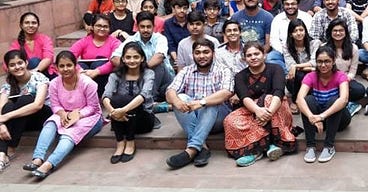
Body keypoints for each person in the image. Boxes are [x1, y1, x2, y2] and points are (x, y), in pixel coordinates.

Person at [22, 51, 104, 179]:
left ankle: (49, 164)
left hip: (89, 117)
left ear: (75, 65)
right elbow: (55, 105)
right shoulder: (54, 83)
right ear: (56, 67)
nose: (65, 69)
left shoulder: (88, 83)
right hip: (64, 113)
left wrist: (75, 116)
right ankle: (37, 158)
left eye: (69, 65)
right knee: (50, 123)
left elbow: (92, 108)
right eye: (62, 66)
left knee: (69, 133)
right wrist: (62, 114)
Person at [165, 39, 233, 169]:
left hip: (218, 119)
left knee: (210, 102)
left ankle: (191, 149)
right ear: (193, 55)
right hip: (194, 117)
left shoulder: (223, 70)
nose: (202, 56)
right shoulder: (186, 71)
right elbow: (170, 92)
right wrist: (177, 102)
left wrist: (201, 102)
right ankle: (200, 147)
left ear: (213, 54)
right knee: (180, 97)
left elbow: (226, 92)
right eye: (198, 53)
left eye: (206, 52)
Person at [224, 42, 296, 166]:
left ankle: (273, 144)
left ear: (264, 55)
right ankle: (255, 150)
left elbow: (278, 92)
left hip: (276, 109)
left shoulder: (276, 69)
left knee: (268, 99)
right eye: (249, 55)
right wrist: (258, 111)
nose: (253, 57)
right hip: (252, 109)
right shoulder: (240, 76)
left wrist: (268, 114)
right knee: (230, 120)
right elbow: (244, 97)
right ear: (244, 58)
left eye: (256, 54)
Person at [102, 42, 156, 164]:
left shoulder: (148, 73)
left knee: (128, 100)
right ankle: (120, 143)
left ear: (142, 58)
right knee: (116, 99)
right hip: (119, 120)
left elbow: (143, 96)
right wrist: (112, 112)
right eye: (128, 57)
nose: (132, 61)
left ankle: (130, 142)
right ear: (123, 59)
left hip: (142, 120)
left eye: (136, 57)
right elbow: (106, 95)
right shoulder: (115, 75)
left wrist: (123, 110)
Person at [296, 46, 352, 163]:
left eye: (327, 61)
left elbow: (344, 99)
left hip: (339, 119)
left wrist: (322, 117)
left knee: (335, 100)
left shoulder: (341, 76)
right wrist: (312, 117)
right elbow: (299, 99)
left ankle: (329, 146)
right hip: (317, 119)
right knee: (308, 100)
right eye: (319, 61)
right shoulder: (310, 76)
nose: (323, 65)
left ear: (333, 61)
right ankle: (310, 146)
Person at [0, 50, 53, 171]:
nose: (17, 67)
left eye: (20, 63)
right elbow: (1, 109)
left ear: (26, 63)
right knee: (7, 107)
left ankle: (11, 147)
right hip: (23, 120)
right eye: (12, 65)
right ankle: (2, 155)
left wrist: (7, 117)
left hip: (42, 117)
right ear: (8, 68)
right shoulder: (8, 85)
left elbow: (38, 105)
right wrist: (1, 125)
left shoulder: (38, 78)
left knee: (25, 99)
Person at [111, 11, 174, 105]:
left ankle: (148, 100)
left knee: (158, 65)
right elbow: (114, 58)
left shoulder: (160, 38)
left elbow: (159, 56)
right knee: (121, 68)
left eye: (148, 27)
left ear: (153, 26)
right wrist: (131, 66)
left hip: (164, 81)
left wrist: (141, 68)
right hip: (140, 79)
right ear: (137, 27)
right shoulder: (132, 39)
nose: (145, 30)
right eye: (142, 27)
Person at [70, 14, 122, 97]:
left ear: (109, 28)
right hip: (85, 74)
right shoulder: (84, 41)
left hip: (105, 75)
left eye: (105, 26)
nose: (102, 29)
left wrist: (97, 71)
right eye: (98, 26)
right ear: (92, 27)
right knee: (80, 65)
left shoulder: (115, 42)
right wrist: (80, 70)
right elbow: (69, 56)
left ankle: (99, 96)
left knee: (98, 63)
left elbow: (114, 61)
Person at [321, 18, 365, 113]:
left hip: (345, 79)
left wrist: (343, 81)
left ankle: (345, 103)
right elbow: (320, 68)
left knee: (359, 90)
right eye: (335, 31)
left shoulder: (353, 48)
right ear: (330, 32)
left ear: (345, 32)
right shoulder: (323, 48)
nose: (338, 33)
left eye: (341, 30)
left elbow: (352, 71)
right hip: (328, 80)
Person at [268, 0, 313, 71]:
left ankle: (296, 70)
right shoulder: (277, 19)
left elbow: (311, 37)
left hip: (304, 51)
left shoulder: (307, 17)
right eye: (287, 4)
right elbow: (274, 40)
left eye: (293, 4)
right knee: (270, 58)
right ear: (283, 5)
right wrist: (285, 52)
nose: (290, 7)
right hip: (283, 51)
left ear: (298, 4)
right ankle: (286, 74)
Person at [284, 19, 320, 113]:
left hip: (313, 76)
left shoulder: (314, 43)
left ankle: (299, 100)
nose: (299, 33)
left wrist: (296, 66)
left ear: (305, 31)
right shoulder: (287, 46)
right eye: (295, 31)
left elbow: (315, 62)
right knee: (298, 75)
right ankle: (296, 100)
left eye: (301, 30)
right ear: (290, 34)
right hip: (296, 78)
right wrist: (309, 68)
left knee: (301, 74)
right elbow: (290, 66)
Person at [9, 12, 55, 77]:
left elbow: (48, 58)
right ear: (21, 25)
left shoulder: (45, 39)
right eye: (27, 23)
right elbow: (9, 63)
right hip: (24, 76)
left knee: (34, 61)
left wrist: (33, 73)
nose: (30, 25)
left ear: (38, 25)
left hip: (46, 74)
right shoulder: (16, 44)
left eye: (34, 23)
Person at [163, 0, 191, 68]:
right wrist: (177, 59)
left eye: (184, 8)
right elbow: (170, 44)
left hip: (191, 53)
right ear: (173, 9)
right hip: (175, 54)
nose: (182, 10)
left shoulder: (191, 21)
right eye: (178, 8)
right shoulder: (168, 23)